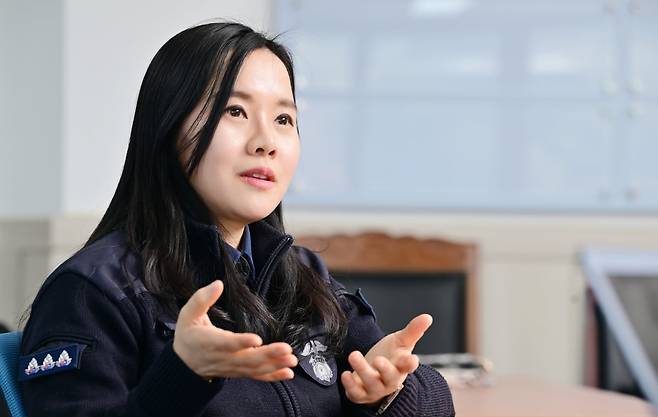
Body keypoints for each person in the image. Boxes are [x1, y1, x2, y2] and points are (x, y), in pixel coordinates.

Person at [19, 22, 455, 416]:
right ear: (168, 126)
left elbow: (432, 402)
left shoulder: (303, 275)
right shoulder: (93, 292)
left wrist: (389, 395)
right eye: (235, 111)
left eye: (283, 119)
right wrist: (182, 376)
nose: (266, 141)